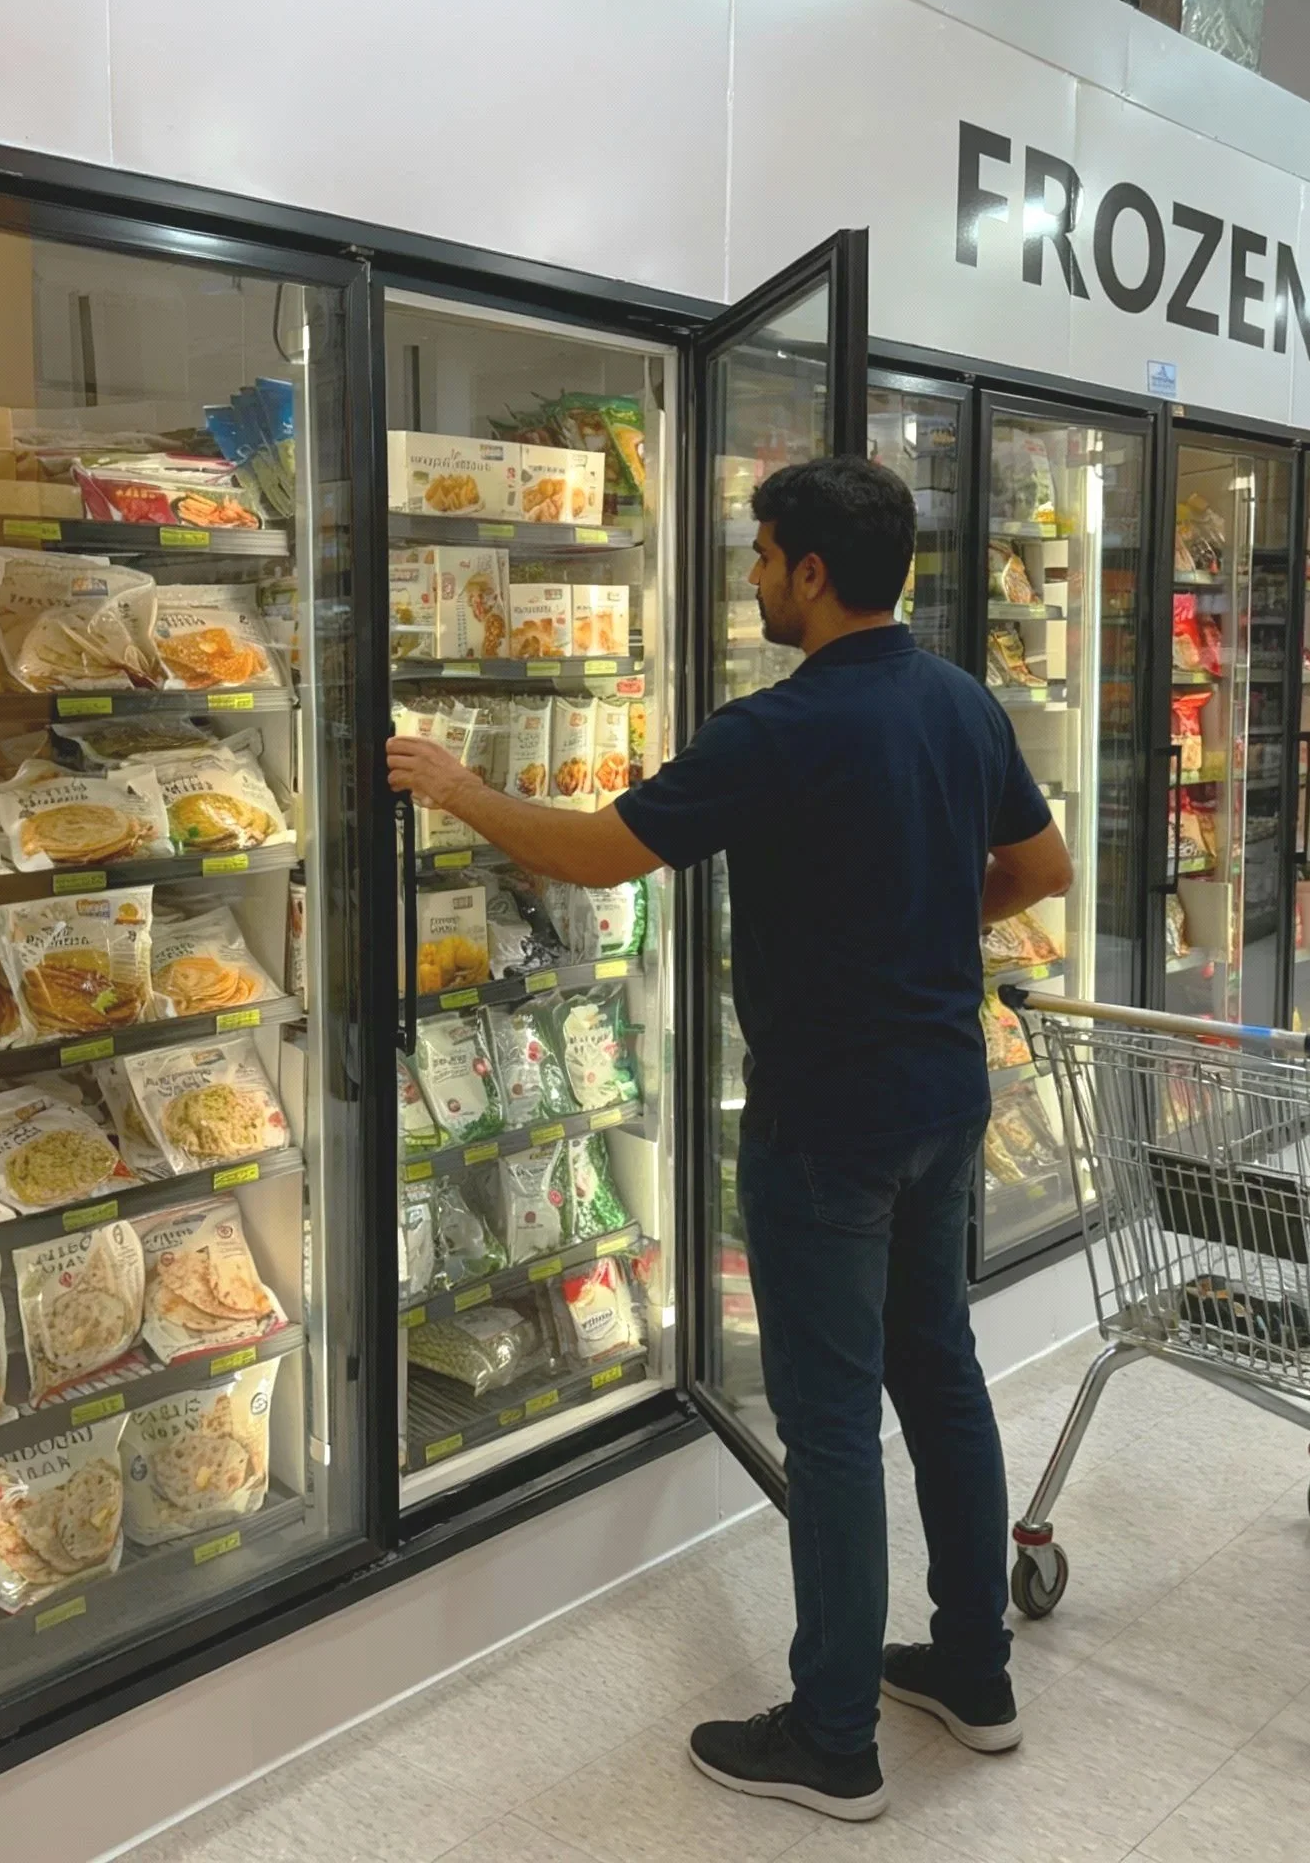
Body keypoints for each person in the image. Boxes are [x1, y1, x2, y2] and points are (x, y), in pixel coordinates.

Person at [386, 453, 1071, 1822]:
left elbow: (595, 852)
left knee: (828, 1426)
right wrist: (926, 934)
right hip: (947, 1093)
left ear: (811, 571)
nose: (753, 576)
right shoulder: (958, 702)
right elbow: (1040, 874)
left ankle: (833, 1739)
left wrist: (457, 790)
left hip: (827, 1123)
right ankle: (975, 1673)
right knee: (939, 1376)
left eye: (761, 555)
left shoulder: (779, 726)